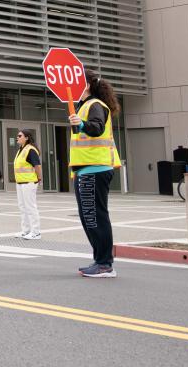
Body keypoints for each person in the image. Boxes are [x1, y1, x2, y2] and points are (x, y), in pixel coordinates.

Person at [68, 73, 123, 279]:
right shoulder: (85, 106)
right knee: (89, 217)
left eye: (77, 83)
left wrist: (81, 124)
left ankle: (105, 264)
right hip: (86, 169)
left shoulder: (95, 105)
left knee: (95, 217)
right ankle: (100, 260)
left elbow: (97, 128)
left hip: (95, 169)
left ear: (88, 85)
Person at [14, 130, 43, 239]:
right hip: (20, 183)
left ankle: (36, 232)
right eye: (17, 136)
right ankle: (25, 230)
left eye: (20, 136)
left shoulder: (30, 150)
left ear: (26, 138)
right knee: (22, 207)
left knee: (30, 207)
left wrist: (39, 178)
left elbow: (37, 166)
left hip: (29, 182)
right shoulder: (20, 150)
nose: (17, 137)